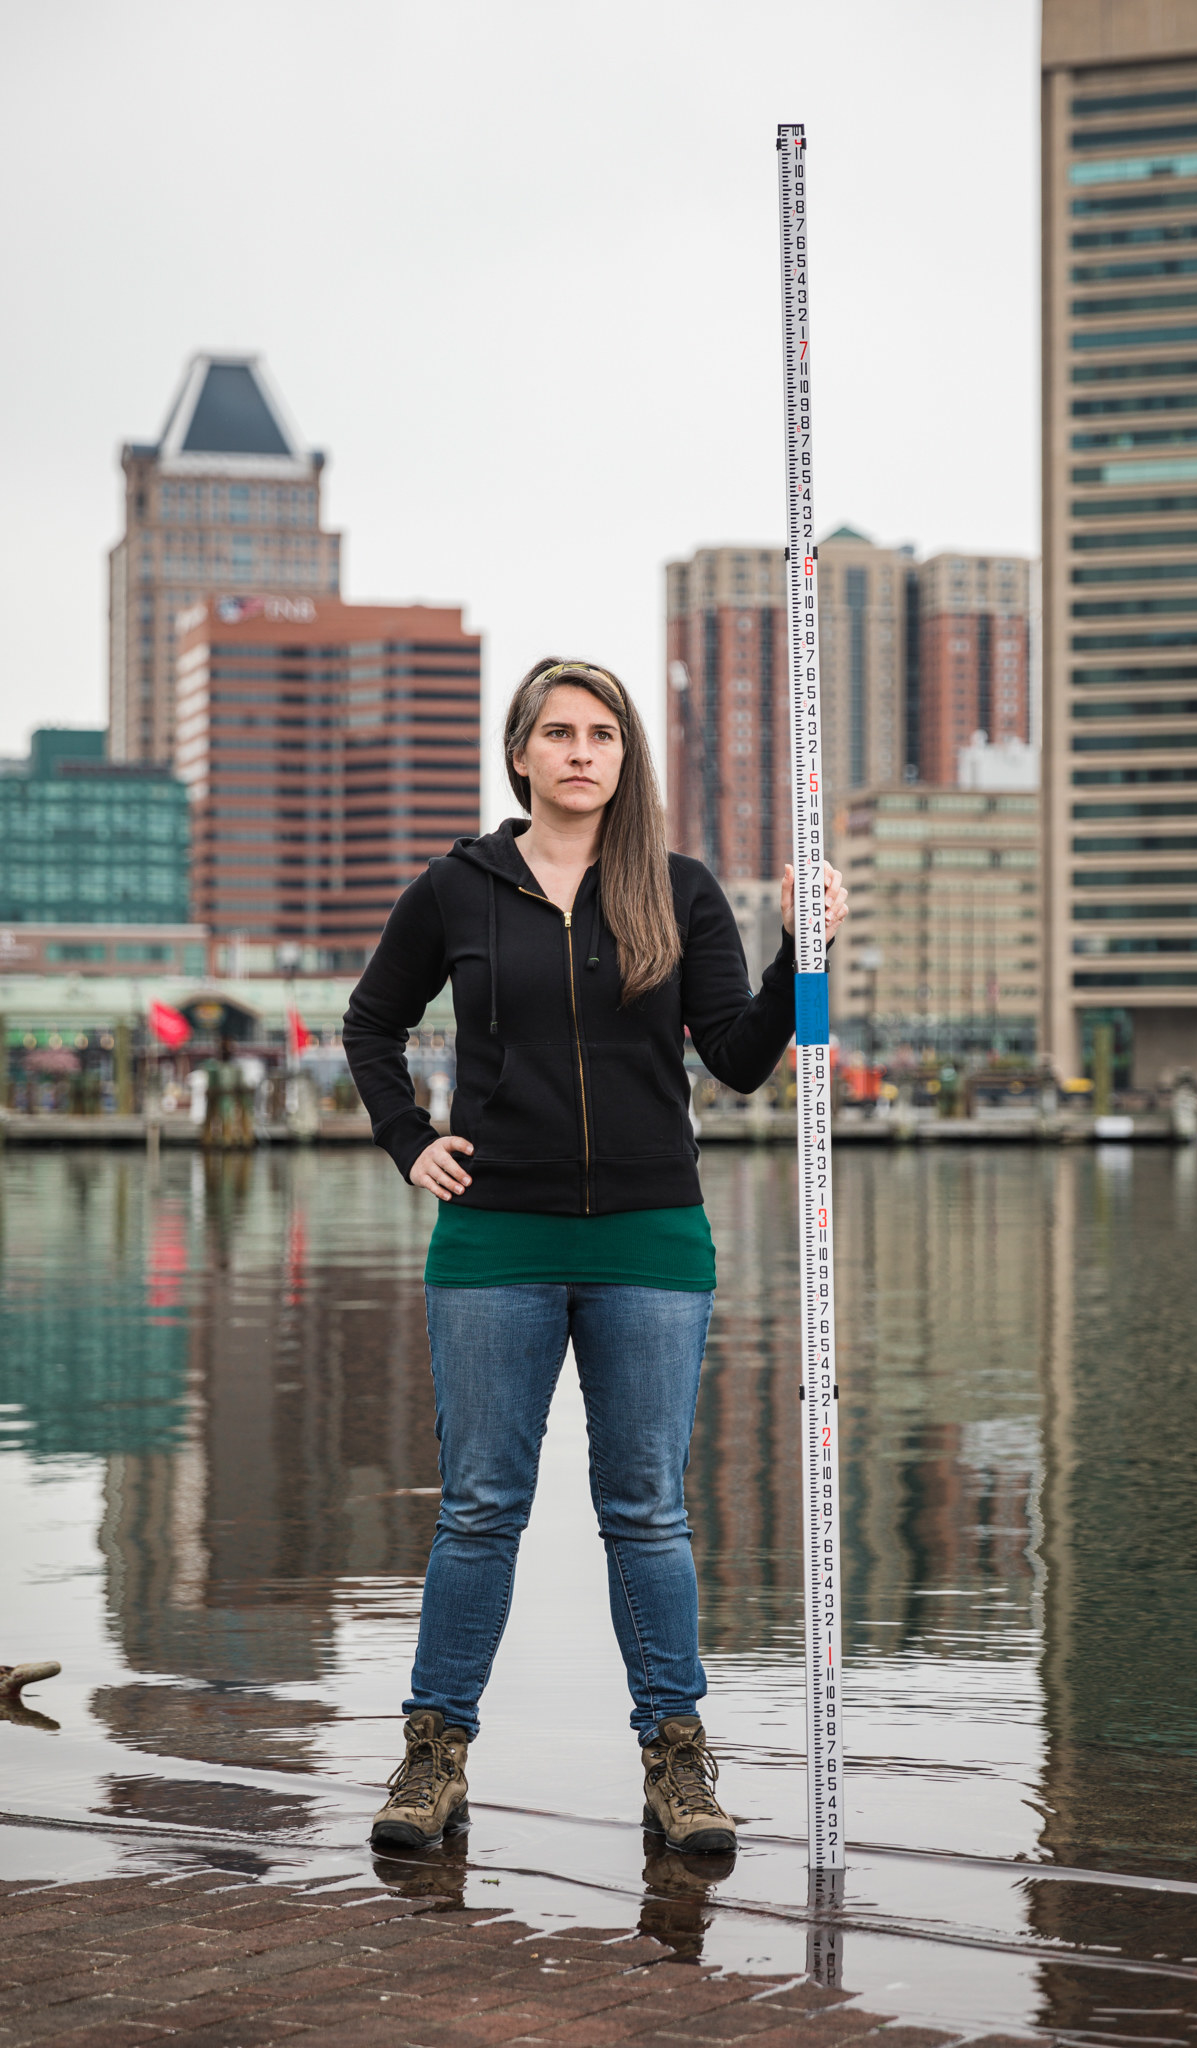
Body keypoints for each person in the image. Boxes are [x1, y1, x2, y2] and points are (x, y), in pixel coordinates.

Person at [342, 656, 847, 1858]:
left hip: (649, 1238)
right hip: (494, 1237)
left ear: (627, 758)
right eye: (559, 732)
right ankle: (433, 1756)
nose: (582, 751)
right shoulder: (457, 888)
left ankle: (678, 1761)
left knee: (647, 1510)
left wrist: (802, 951)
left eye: (603, 734)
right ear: (520, 753)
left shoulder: (677, 890)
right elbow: (371, 1022)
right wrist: (411, 1138)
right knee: (477, 1507)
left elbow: (737, 1056)